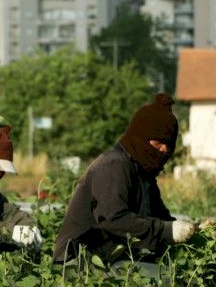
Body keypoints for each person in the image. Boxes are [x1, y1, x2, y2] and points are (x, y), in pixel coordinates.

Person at [52, 93, 197, 266]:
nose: (164, 149)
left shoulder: (143, 173)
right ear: (140, 136)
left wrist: (194, 230)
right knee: (162, 280)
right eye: (157, 143)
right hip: (79, 263)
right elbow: (112, 219)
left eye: (168, 144)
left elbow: (161, 219)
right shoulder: (113, 165)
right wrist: (166, 230)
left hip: (114, 258)